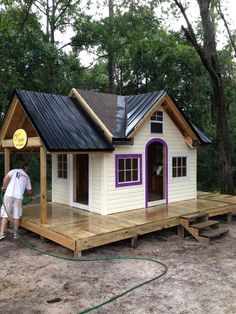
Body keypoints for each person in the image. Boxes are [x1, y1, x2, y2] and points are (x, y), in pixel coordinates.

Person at [0, 162, 35, 240]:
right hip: (18, 197)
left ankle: (1, 233)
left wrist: (4, 187)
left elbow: (6, 178)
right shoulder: (26, 176)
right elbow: (29, 190)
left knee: (5, 214)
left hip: (9, 195)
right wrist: (32, 195)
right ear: (25, 167)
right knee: (17, 215)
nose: (28, 169)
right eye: (28, 168)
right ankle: (15, 234)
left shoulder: (14, 171)